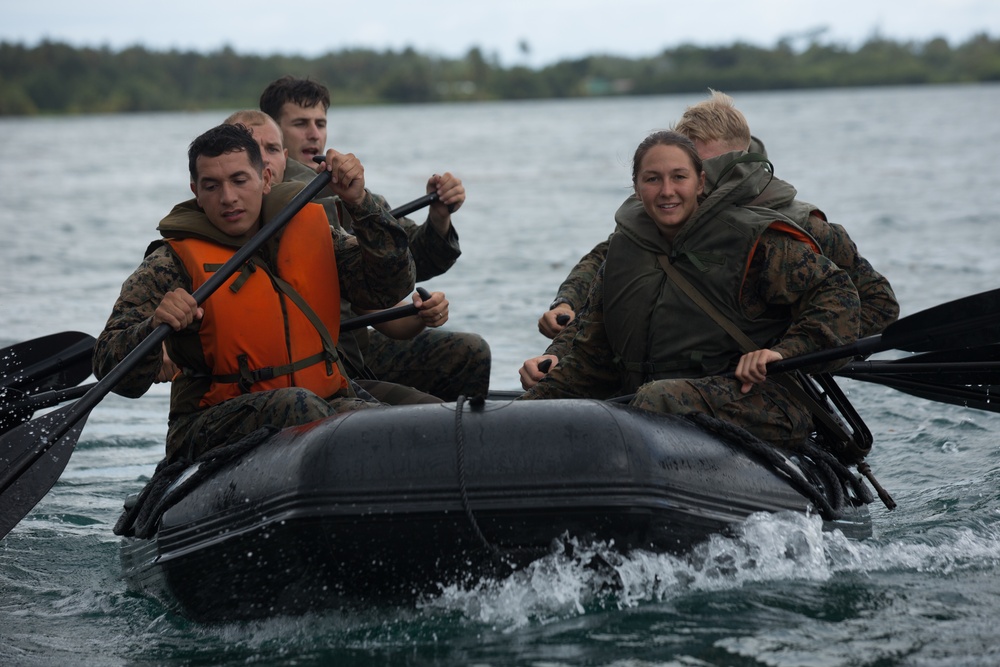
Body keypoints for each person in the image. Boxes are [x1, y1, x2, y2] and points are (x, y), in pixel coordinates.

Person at [522, 89, 898, 389]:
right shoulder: (661, 226)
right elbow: (606, 271)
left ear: (740, 162)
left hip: (754, 385)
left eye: (706, 170)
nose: (687, 187)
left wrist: (784, 347)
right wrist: (564, 319)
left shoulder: (798, 230)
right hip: (663, 386)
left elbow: (875, 305)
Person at [92, 123, 417, 463]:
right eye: (212, 186)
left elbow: (390, 286)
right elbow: (110, 365)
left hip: (322, 402)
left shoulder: (313, 230)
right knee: (298, 405)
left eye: (239, 180)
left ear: (264, 179)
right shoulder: (168, 264)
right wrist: (154, 325)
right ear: (196, 192)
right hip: (210, 420)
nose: (228, 198)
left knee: (396, 427)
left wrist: (361, 202)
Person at [518, 130, 861, 448]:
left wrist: (783, 353)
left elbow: (838, 298)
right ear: (637, 188)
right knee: (536, 408)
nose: (667, 191)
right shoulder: (623, 255)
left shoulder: (756, 241)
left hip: (758, 399)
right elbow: (589, 359)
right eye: (653, 179)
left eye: (678, 177)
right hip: (648, 406)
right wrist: (529, 408)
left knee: (658, 398)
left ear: (700, 183)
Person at [259, 76, 491, 400]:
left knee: (470, 352)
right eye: (300, 123)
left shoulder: (347, 191)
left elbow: (410, 262)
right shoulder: (252, 200)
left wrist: (439, 217)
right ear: (274, 133)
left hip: (357, 344)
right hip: (304, 356)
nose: (314, 133)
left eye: (320, 123)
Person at [220, 109, 451, 405]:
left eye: (272, 150)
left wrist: (359, 200)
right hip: (249, 401)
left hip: (327, 381)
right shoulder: (190, 244)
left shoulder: (320, 228)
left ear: (282, 160)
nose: (314, 133)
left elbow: (389, 288)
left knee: (434, 413)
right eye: (301, 123)